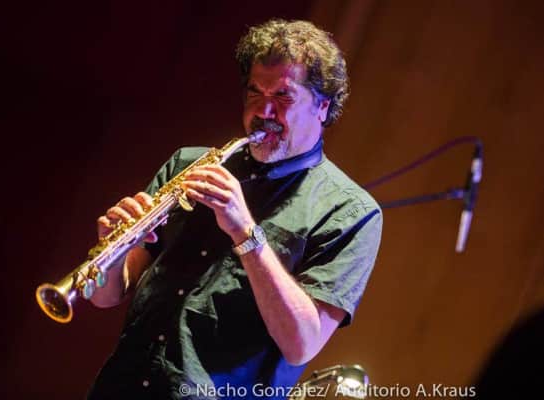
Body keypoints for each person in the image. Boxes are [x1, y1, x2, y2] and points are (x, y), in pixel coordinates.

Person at [87, 19, 383, 400]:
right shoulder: (188, 164)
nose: (263, 110)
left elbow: (302, 345)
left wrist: (246, 232)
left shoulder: (352, 212)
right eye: (255, 92)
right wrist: (114, 252)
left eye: (283, 96)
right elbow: (106, 296)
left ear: (322, 106)